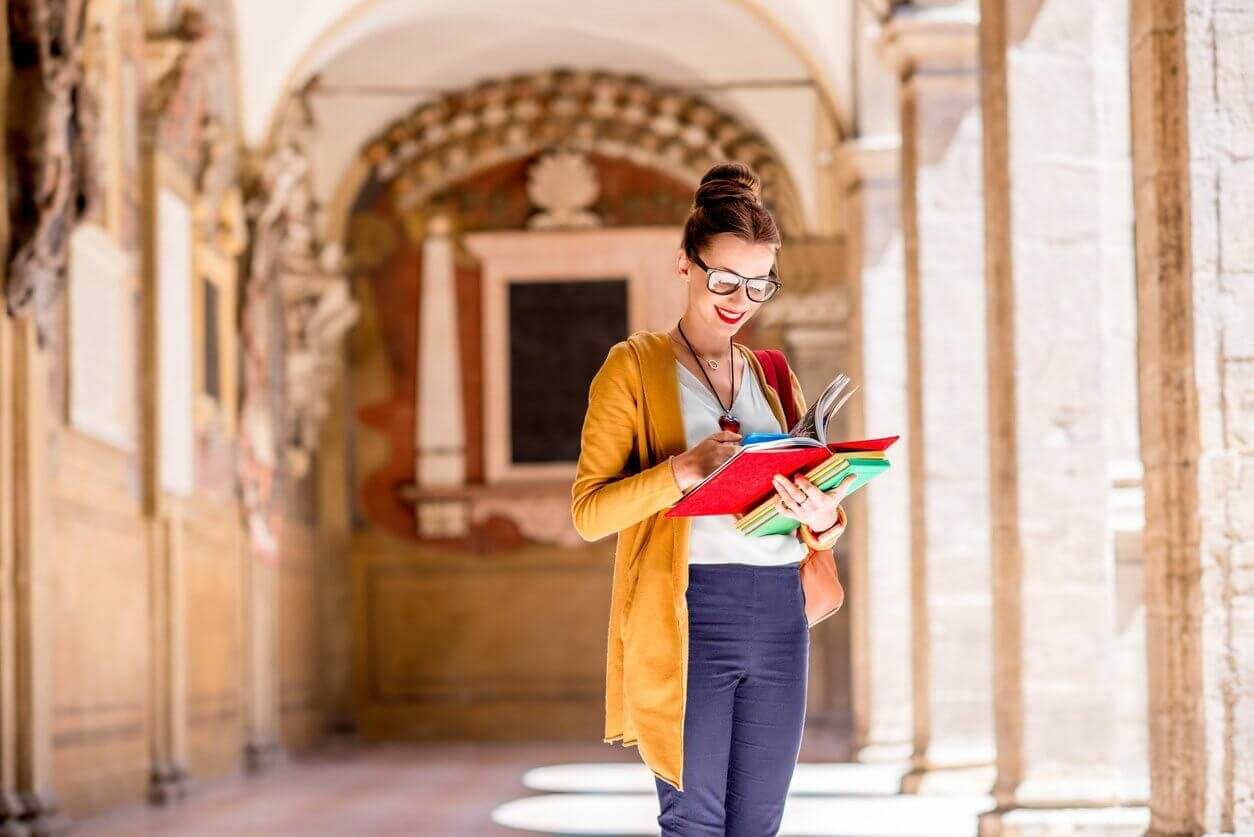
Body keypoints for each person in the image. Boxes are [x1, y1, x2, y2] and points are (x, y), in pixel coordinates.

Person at [570, 161, 856, 836]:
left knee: (758, 823)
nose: (740, 299)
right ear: (685, 264)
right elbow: (589, 513)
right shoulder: (632, 367)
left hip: (781, 612)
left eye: (759, 284)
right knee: (694, 820)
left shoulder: (772, 374)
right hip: (690, 611)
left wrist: (823, 516)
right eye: (724, 279)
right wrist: (682, 470)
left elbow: (803, 514)